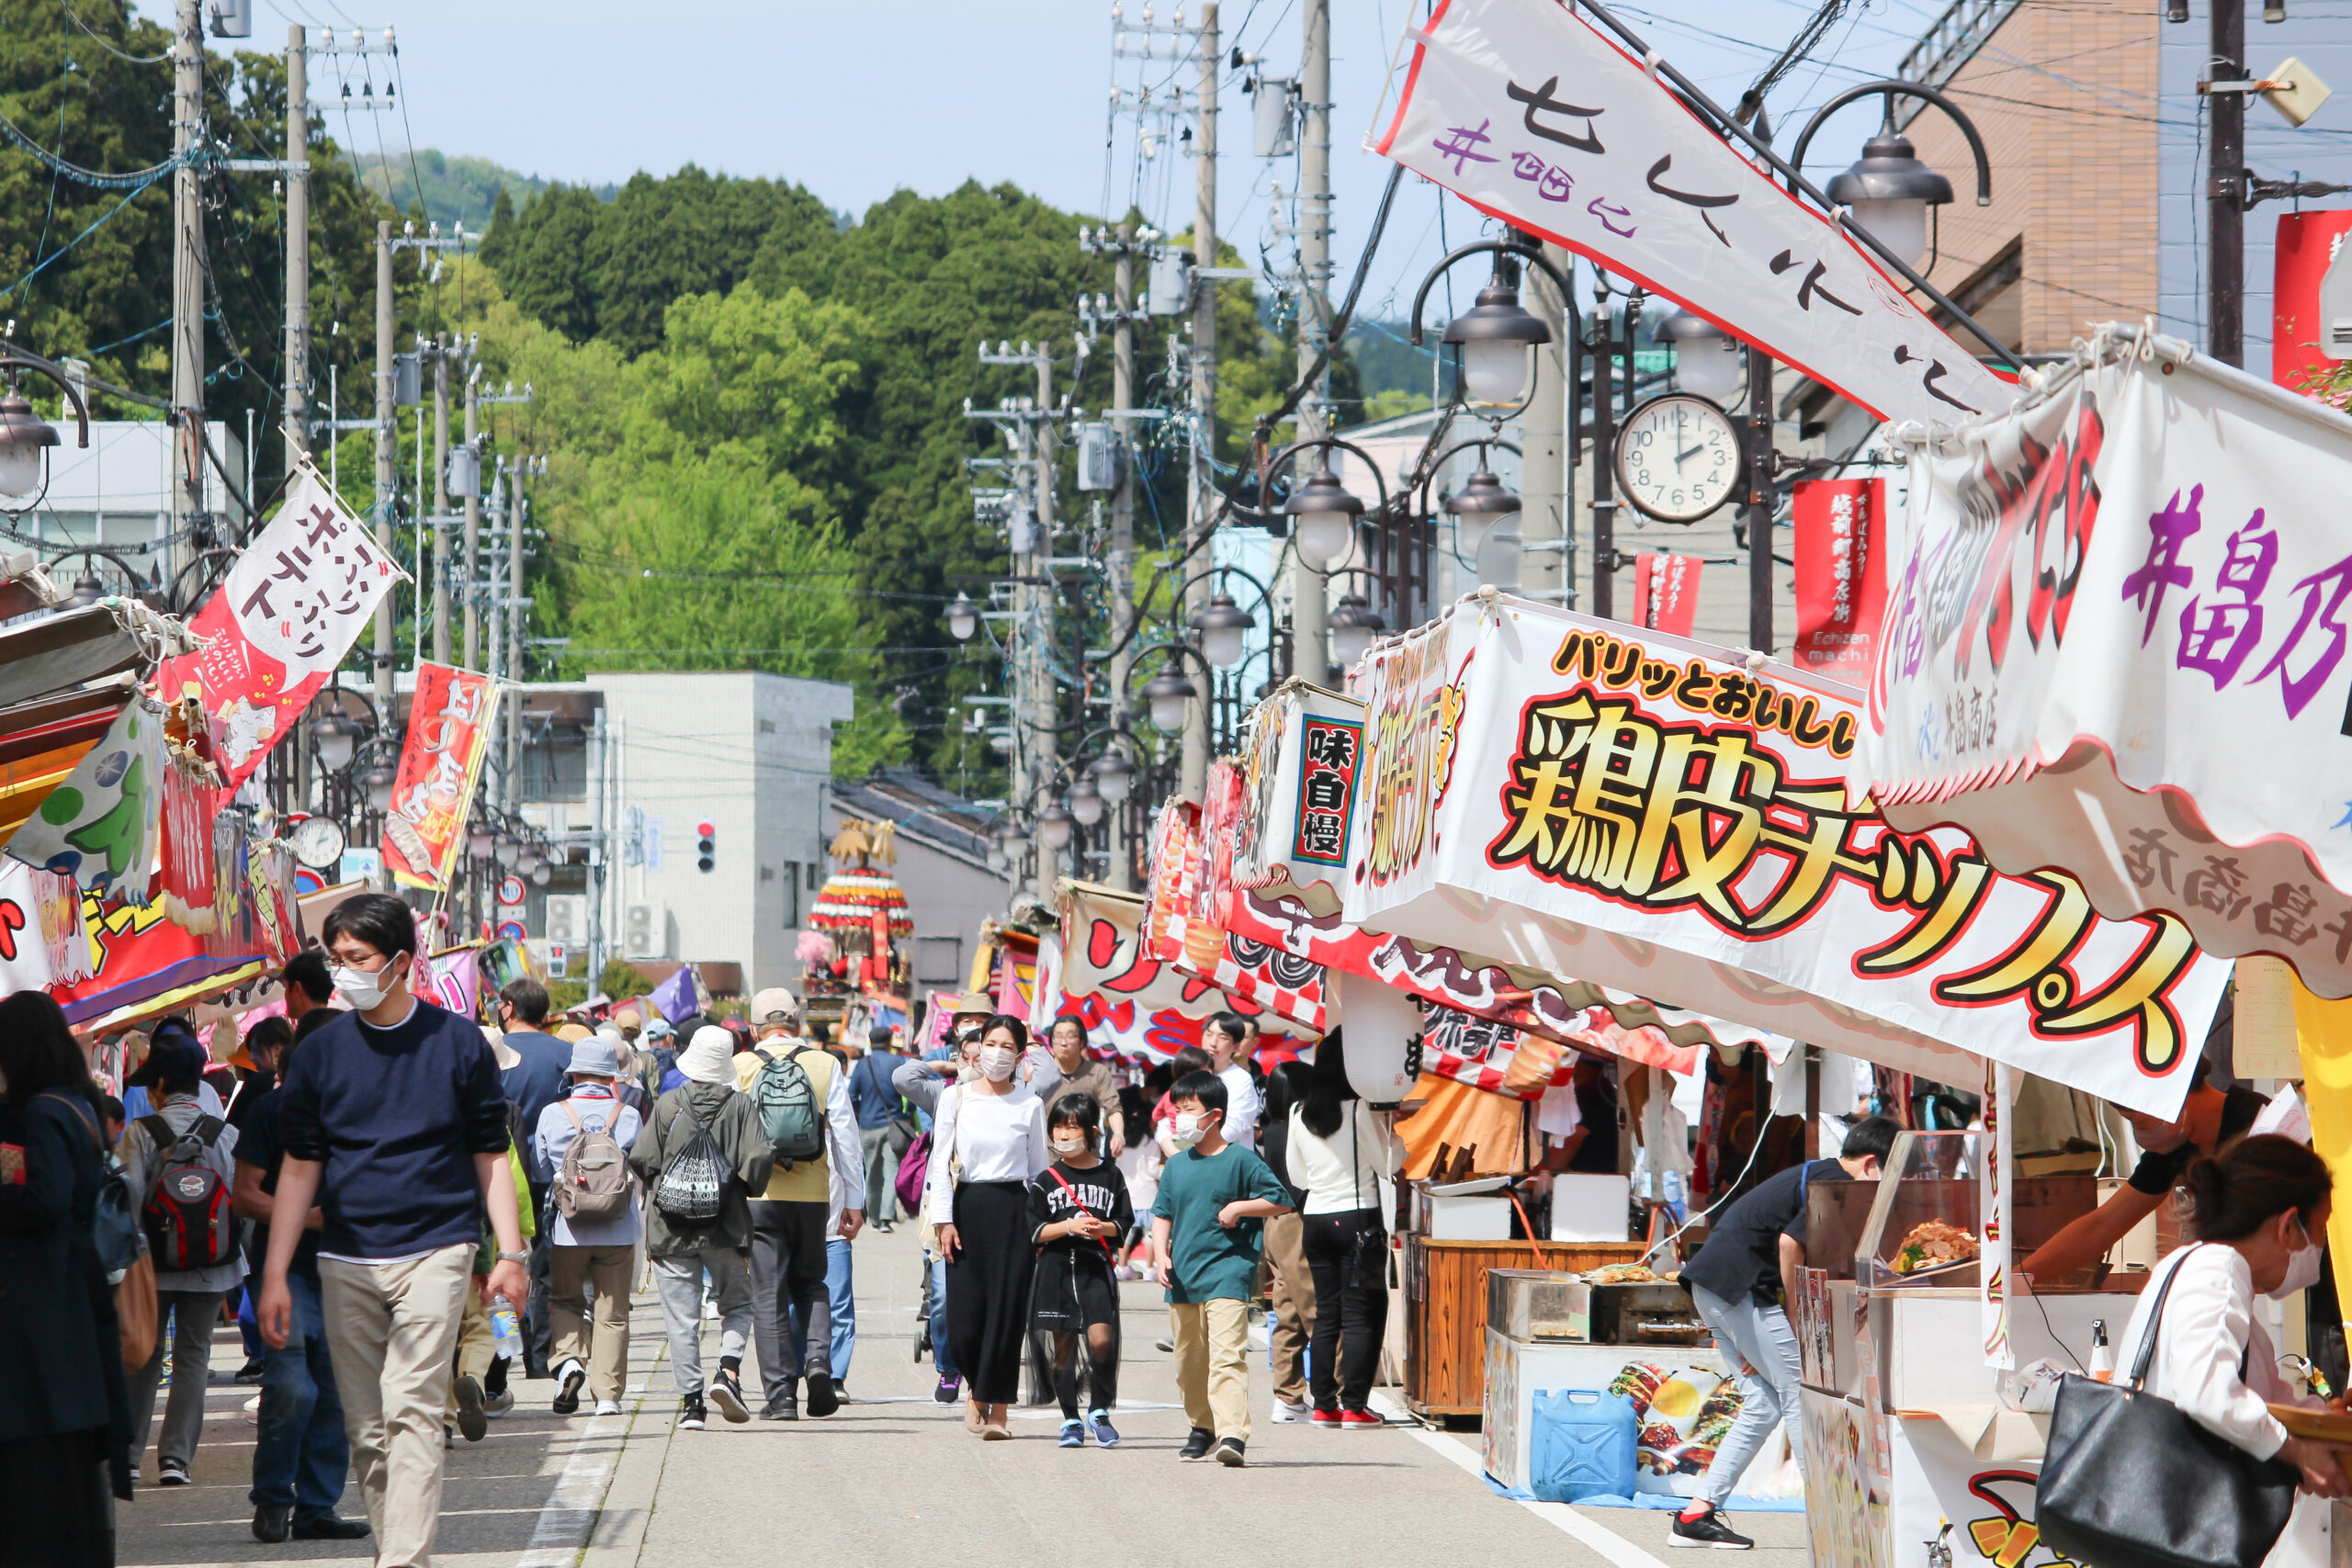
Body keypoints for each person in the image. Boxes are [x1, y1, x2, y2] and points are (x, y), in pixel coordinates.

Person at [257, 893, 528, 1568]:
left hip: (438, 1246)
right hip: (345, 1255)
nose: (342, 970)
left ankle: (401, 1559)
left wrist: (511, 1253)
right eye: (335, 958)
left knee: (410, 1405)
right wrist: (274, 1274)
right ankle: (405, 1548)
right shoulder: (319, 1055)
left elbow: (490, 1153)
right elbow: (298, 1168)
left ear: (401, 962)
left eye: (357, 958)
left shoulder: (459, 1042)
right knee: (367, 1428)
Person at [1672, 1114, 1900, 1549]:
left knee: (1762, 1403)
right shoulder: (1833, 1183)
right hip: (1738, 1289)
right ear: (1871, 1164)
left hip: (1713, 1286)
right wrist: (1798, 1313)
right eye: (1887, 1178)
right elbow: (1788, 1244)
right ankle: (1828, 1516)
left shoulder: (1821, 1172)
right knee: (1798, 1389)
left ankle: (1695, 1515)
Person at [2114, 1134, 2352, 1500]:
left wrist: (2327, 1423)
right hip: (2176, 1515)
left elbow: (2266, 1400)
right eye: (2319, 1229)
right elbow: (2208, 1395)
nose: (2318, 1247)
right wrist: (2298, 1451)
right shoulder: (2218, 1270)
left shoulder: (2198, 1267)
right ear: (2287, 1226)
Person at [0, 992, 131, 1567]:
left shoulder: (39, 1114)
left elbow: (43, 1198)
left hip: (39, 1308)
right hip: (70, 1302)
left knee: (36, 1467)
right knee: (65, 1467)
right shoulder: (76, 1107)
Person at [232, 1010, 368, 1543]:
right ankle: (272, 1498)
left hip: (347, 1270)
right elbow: (245, 1193)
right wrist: (305, 1218)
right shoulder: (270, 1110)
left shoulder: (360, 1114)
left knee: (335, 1392)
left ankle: (316, 1508)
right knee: (293, 1387)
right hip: (286, 1273)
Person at [116, 1021, 243, 1489]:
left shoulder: (141, 1133)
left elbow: (125, 1203)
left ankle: (128, 1457)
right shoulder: (223, 1132)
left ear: (162, 1085)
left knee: (144, 1357)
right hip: (213, 1264)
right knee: (194, 1355)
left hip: (152, 1267)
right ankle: (175, 1460)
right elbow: (237, 1198)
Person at [628, 1025, 771, 1431]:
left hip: (670, 1227)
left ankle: (692, 1404)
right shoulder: (742, 1106)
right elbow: (759, 1158)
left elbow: (642, 1158)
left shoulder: (670, 1102)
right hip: (725, 1227)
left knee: (681, 1318)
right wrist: (740, 1184)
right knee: (739, 1304)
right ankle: (727, 1372)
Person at [1150, 1068, 1294, 1467]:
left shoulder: (1241, 1160)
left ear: (1214, 1115)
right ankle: (1203, 1426)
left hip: (1229, 1272)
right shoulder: (1177, 1165)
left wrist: (1239, 1208)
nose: (1179, 1118)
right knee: (1188, 1362)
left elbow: (1280, 1199)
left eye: (1187, 1109)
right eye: (1176, 1109)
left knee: (1226, 1356)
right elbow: (1162, 1214)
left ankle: (1233, 1434)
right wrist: (1161, 1254)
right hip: (1182, 1276)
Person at [734, 987, 864, 1420]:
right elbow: (845, 1137)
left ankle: (781, 1397)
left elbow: (727, 1134)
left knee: (767, 1294)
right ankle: (818, 1363)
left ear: (754, 1029)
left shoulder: (742, 1066)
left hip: (759, 1195)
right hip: (813, 1197)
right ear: (797, 1024)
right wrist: (856, 1200)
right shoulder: (825, 1064)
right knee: (812, 1284)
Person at [2020, 1055, 2267, 1280]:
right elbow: (2102, 1226)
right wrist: (2020, 1278)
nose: (2140, 1133)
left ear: (2173, 1097)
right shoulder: (2177, 1146)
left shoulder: (2262, 1127)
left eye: (2138, 1119)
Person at [926, 1014, 1051, 1439]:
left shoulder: (1030, 1104)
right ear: (978, 1048)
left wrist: (1040, 1226)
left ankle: (997, 1406)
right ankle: (975, 1388)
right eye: (990, 1043)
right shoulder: (955, 1098)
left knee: (1007, 1313)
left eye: (1006, 1045)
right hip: (967, 1207)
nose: (997, 1052)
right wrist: (943, 1220)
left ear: (1019, 1054)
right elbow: (939, 1163)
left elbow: (1038, 1172)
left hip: (1015, 1210)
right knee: (961, 1320)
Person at [1286, 1031, 1401, 1428]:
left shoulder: (1299, 1111)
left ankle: (1323, 1405)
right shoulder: (1359, 1109)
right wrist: (1392, 1131)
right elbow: (1390, 1163)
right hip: (1358, 1219)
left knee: (1326, 1316)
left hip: (1316, 1218)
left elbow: (1297, 1172)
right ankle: (1354, 1405)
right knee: (1359, 1315)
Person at [535, 1038, 644, 1417]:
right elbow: (640, 1168)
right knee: (612, 1313)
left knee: (566, 1300)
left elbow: (542, 1167)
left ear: (575, 1074)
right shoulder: (627, 1114)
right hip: (617, 1228)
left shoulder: (553, 1113)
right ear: (610, 1076)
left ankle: (568, 1363)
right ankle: (608, 1396)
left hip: (569, 1227)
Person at [1027, 1092, 1132, 1450]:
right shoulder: (1046, 1178)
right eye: (1057, 1127)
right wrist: (1069, 1227)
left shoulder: (1110, 1174)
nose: (1063, 1135)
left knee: (1102, 1341)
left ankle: (1099, 1411)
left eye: (1071, 1127)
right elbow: (1035, 1229)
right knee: (1064, 1348)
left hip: (1094, 1270)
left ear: (1089, 1131)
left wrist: (1103, 1228)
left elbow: (1124, 1222)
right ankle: (1070, 1418)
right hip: (1055, 1272)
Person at [897, 1027, 983, 1404]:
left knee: (986, 1298)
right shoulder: (945, 1093)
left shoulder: (1015, 1097)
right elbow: (903, 1076)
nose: (978, 1063)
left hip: (988, 1207)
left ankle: (981, 1370)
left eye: (989, 1055)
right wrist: (943, 1065)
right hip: (944, 1206)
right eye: (971, 1056)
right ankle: (949, 1369)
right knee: (943, 1297)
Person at [494, 978, 571, 1381]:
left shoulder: (494, 1053)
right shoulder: (565, 1053)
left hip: (498, 1178)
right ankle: (540, 1358)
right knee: (543, 1271)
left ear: (508, 1007)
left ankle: (499, 1360)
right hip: (550, 1177)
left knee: (498, 1270)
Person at [1258, 1059, 1318, 1423]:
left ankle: (1288, 1397)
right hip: (1296, 1218)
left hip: (1274, 1221)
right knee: (1314, 1307)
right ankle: (1336, 1393)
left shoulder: (1271, 1129)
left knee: (1287, 1313)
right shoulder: (1299, 1128)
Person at [1033, 1016, 1126, 1156]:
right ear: (1051, 1042)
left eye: (1071, 1037)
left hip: (1087, 1158)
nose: (1063, 1043)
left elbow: (1113, 1107)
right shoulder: (1039, 1073)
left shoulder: (1097, 1072)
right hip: (1049, 1159)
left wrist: (1118, 1134)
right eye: (1058, 1037)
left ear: (1081, 1041)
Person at [848, 1028, 909, 1230]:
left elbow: (852, 1095)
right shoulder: (898, 1063)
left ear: (870, 1042)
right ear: (890, 1041)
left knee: (872, 1171)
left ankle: (873, 1215)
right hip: (894, 1126)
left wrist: (859, 1113)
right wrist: (906, 1116)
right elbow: (912, 1090)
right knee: (892, 1170)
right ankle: (885, 1217)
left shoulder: (862, 1065)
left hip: (868, 1125)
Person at [1201, 1012, 1263, 1150]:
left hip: (1227, 1162)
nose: (1213, 1043)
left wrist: (1197, 1146)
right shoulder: (1192, 1072)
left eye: (1222, 1037)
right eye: (1209, 1034)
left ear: (1236, 1046)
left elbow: (1234, 1126)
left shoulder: (1241, 1079)